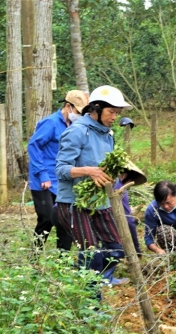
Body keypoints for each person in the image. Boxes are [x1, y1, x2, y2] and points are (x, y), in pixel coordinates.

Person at [54, 85, 131, 284]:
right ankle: (90, 298)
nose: (114, 116)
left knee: (116, 247)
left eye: (117, 112)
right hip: (74, 203)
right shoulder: (77, 132)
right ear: (96, 109)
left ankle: (102, 279)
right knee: (90, 253)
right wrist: (88, 170)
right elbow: (61, 170)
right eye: (111, 112)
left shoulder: (108, 134)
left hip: (98, 200)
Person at [26, 89, 88, 251]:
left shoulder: (75, 126)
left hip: (62, 179)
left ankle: (63, 258)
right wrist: (42, 175)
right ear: (68, 106)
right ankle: (35, 255)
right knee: (46, 218)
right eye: (78, 111)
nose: (80, 115)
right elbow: (34, 146)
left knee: (65, 219)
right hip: (43, 179)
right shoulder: (51, 123)